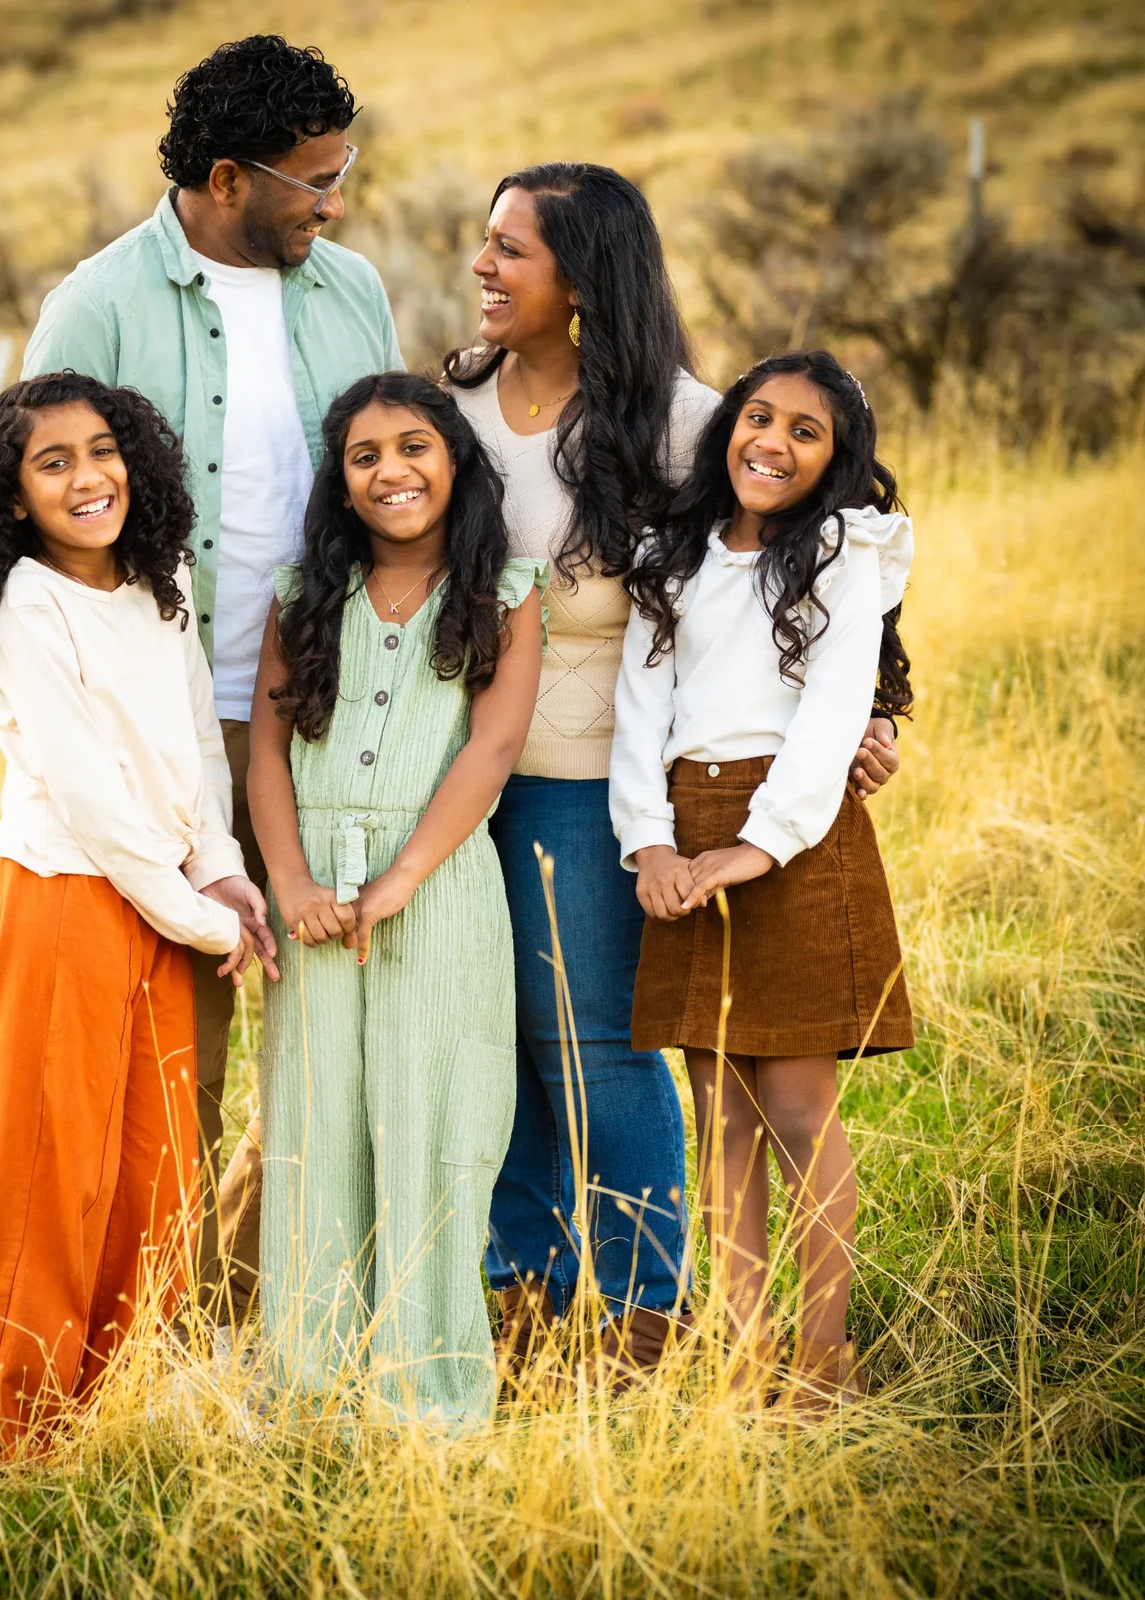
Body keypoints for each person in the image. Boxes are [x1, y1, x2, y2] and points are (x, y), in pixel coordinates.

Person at [444, 163, 902, 1388]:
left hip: (599, 783)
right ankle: (522, 1290)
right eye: (480, 243)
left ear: (584, 279)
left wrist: (867, 720)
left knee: (594, 1044)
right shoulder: (456, 404)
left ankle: (647, 1306)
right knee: (492, 1042)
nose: (480, 267)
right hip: (450, 782)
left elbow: (810, 588)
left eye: (510, 249)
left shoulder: (686, 419)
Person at [20, 35, 402, 1317]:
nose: (335, 201)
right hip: (172, 730)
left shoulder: (351, 291)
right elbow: (31, 516)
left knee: (337, 1019)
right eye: (315, 180)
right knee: (185, 1030)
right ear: (230, 178)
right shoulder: (97, 305)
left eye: (342, 171)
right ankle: (164, 1320)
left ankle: (285, 1296)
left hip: (335, 715)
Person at [0, 372, 274, 1459]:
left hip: (165, 896)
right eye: (52, 461)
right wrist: (199, 916)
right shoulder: (31, 601)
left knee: (153, 1159)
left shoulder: (157, 576)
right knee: (50, 1158)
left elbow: (193, 745)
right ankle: (15, 1417)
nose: (86, 476)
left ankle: (112, 1395)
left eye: (101, 450)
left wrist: (221, 869)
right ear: (14, 497)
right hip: (69, 890)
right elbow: (90, 794)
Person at [611, 350, 915, 1411]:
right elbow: (640, 711)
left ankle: (821, 1354)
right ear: (724, 425)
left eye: (803, 431)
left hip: (791, 832)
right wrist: (649, 841)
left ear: (834, 461)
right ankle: (742, 1354)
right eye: (757, 417)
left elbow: (836, 705)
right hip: (687, 830)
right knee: (718, 1112)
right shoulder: (671, 551)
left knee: (792, 1105)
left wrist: (761, 841)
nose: (770, 443)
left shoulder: (836, 549)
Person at [247, 372, 546, 1422]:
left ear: (454, 461)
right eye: (364, 455)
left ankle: (425, 1384)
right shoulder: (300, 596)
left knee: (431, 1120)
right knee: (318, 1122)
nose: (391, 471)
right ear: (338, 480)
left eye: (413, 445)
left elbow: (494, 746)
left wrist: (403, 875)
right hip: (314, 899)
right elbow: (269, 754)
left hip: (438, 882)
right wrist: (288, 881)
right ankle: (309, 1376)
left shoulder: (503, 593)